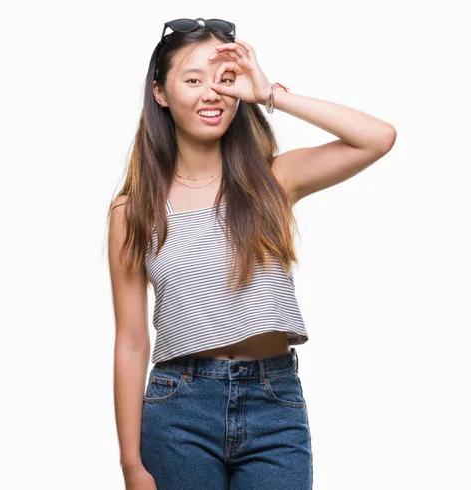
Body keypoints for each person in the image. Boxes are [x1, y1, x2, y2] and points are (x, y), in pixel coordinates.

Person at [107, 17, 396, 490]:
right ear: (160, 92)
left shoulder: (273, 181)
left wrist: (269, 93)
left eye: (224, 80)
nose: (212, 93)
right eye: (193, 79)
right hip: (179, 407)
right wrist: (130, 464)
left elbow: (377, 137)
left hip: (274, 403)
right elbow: (132, 340)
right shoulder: (132, 209)